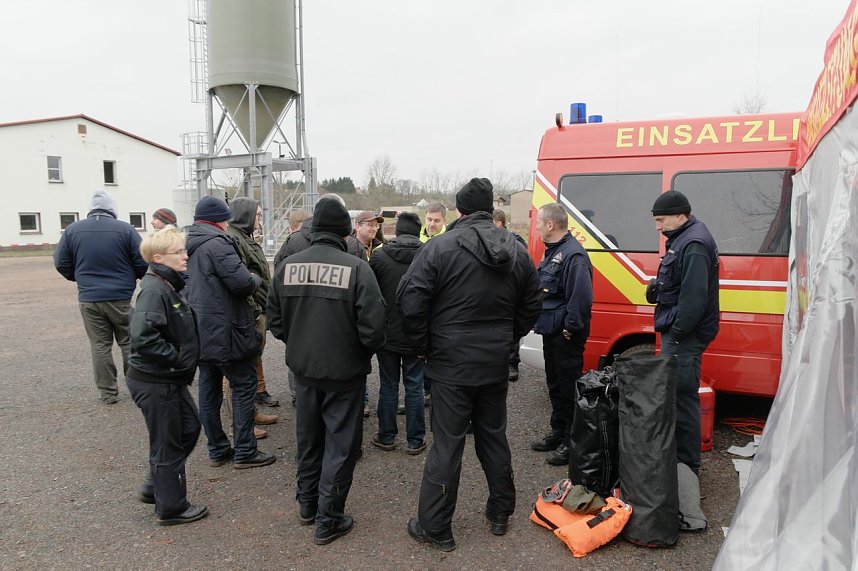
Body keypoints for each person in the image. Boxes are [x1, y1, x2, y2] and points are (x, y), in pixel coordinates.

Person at [398, 178, 541, 551]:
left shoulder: (440, 248)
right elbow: (532, 303)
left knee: (448, 442)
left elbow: (411, 302)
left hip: (451, 364)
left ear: (459, 210)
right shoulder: (516, 250)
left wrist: (423, 347)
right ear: (490, 210)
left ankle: (436, 526)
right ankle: (500, 512)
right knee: (493, 435)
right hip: (490, 361)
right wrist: (506, 338)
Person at [267, 198, 386, 545]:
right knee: (340, 447)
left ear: (314, 229)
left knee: (309, 441)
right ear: (345, 232)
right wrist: (356, 351)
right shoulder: (357, 268)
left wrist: (300, 342)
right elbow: (374, 328)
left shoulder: (288, 266)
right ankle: (328, 518)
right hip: (344, 374)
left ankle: (308, 505)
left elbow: (275, 320)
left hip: (304, 372)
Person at [185, 196, 275, 470]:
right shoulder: (218, 243)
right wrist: (256, 278)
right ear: (219, 220)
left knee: (209, 390)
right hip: (227, 330)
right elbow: (242, 283)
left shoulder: (189, 243)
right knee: (244, 385)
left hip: (200, 329)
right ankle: (245, 451)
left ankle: (217, 449)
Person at [126, 226, 207, 526]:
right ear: (158, 258)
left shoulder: (166, 284)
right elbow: (143, 337)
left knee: (188, 428)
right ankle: (171, 507)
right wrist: (178, 359)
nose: (185, 256)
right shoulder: (154, 290)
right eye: (179, 252)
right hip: (156, 380)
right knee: (168, 442)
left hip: (168, 379)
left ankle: (157, 485)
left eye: (184, 250)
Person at [646, 190, 719, 475]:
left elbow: (694, 302)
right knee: (677, 397)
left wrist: (676, 335)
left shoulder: (694, 244)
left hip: (684, 335)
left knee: (682, 399)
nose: (658, 226)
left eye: (661, 220)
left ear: (680, 215)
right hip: (680, 331)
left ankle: (687, 468)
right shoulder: (684, 238)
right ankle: (677, 460)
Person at [54, 190, 148, 404]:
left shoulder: (72, 230)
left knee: (99, 345)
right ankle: (137, 388)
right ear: (112, 209)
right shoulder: (126, 229)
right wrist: (134, 277)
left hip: (89, 298)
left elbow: (61, 262)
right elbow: (142, 260)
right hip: (121, 296)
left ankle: (108, 393)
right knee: (128, 342)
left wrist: (79, 278)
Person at [530, 202, 593, 466]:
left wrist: (569, 330)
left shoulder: (573, 256)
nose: (536, 227)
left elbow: (581, 299)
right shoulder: (554, 252)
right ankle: (558, 431)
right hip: (551, 331)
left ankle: (571, 442)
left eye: (538, 223)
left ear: (550, 224)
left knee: (568, 390)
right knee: (555, 385)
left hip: (565, 336)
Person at [368, 212, 426, 455]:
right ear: (418, 231)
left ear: (397, 231)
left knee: (389, 385)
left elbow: (370, 294)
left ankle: (387, 436)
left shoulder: (379, 257)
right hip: (417, 334)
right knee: (415, 386)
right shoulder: (428, 255)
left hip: (388, 333)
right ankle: (415, 440)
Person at [228, 198, 280, 412]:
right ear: (245, 215)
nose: (260, 219)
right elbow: (240, 280)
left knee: (252, 361)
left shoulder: (244, 237)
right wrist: (256, 311)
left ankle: (251, 411)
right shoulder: (235, 239)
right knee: (242, 369)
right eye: (257, 215)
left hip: (258, 307)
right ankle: (245, 418)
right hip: (252, 311)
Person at [493, 209, 527, 382]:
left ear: (498, 223)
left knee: (511, 328)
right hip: (496, 291)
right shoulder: (489, 240)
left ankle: (512, 363)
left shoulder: (514, 241)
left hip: (511, 291)